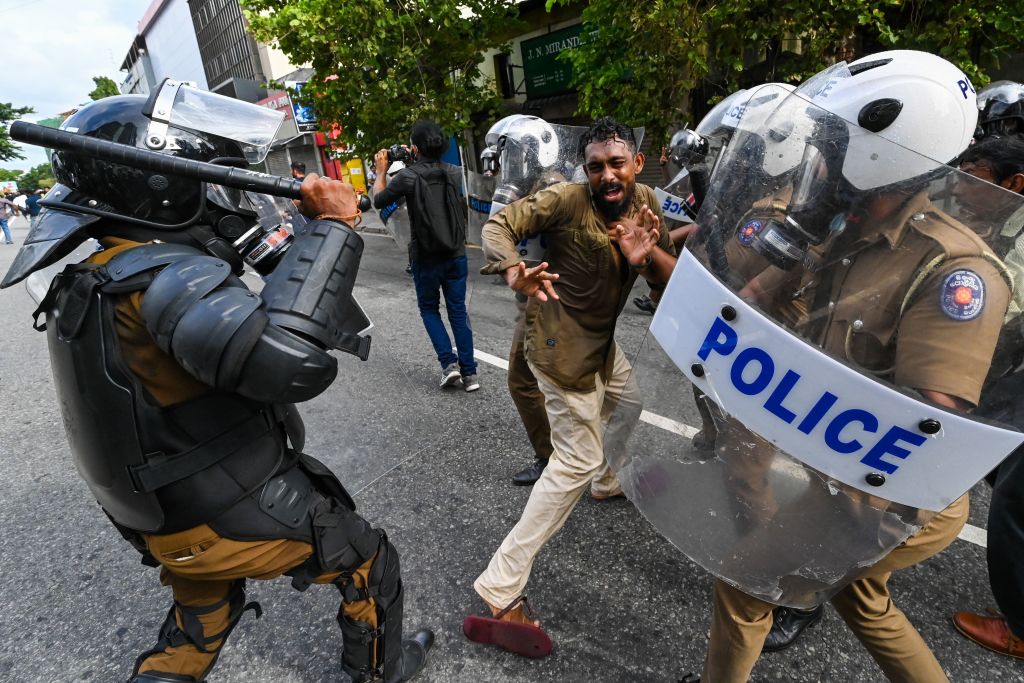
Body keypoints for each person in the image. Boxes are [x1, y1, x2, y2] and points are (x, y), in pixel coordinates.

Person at [0, 86, 433, 683]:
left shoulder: (92, 275)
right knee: (369, 561)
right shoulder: (167, 276)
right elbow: (290, 363)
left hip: (164, 513)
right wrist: (333, 228)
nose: (214, 195)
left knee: (201, 615)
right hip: (226, 506)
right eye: (205, 181)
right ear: (158, 184)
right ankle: (382, 673)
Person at [700, 51, 1011, 682]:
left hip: (889, 496)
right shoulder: (841, 232)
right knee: (864, 603)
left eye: (831, 146)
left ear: (881, 153)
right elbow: (748, 300)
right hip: (837, 473)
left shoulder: (955, 270)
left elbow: (932, 421)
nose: (816, 161)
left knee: (746, 582)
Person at [464, 117, 676, 656]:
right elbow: (497, 228)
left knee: (631, 402)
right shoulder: (564, 199)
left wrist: (647, 256)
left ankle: (608, 481)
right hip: (559, 348)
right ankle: (500, 586)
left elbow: (665, 275)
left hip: (603, 343)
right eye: (597, 166)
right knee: (572, 463)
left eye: (617, 164)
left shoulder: (646, 201)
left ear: (637, 164)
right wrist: (514, 270)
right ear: (585, 169)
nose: (608, 176)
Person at [951, 136, 1024, 659]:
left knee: (1014, 502)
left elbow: (1004, 307)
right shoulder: (998, 219)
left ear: (1014, 184)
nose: (961, 184)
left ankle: (1020, 625)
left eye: (973, 174)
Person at [372, 119, 479, 391]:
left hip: (425, 256)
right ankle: (470, 375)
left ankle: (449, 364)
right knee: (458, 311)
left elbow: (379, 200)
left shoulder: (407, 177)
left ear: (415, 148)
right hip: (456, 253)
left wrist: (381, 171)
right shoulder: (455, 172)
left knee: (429, 309)